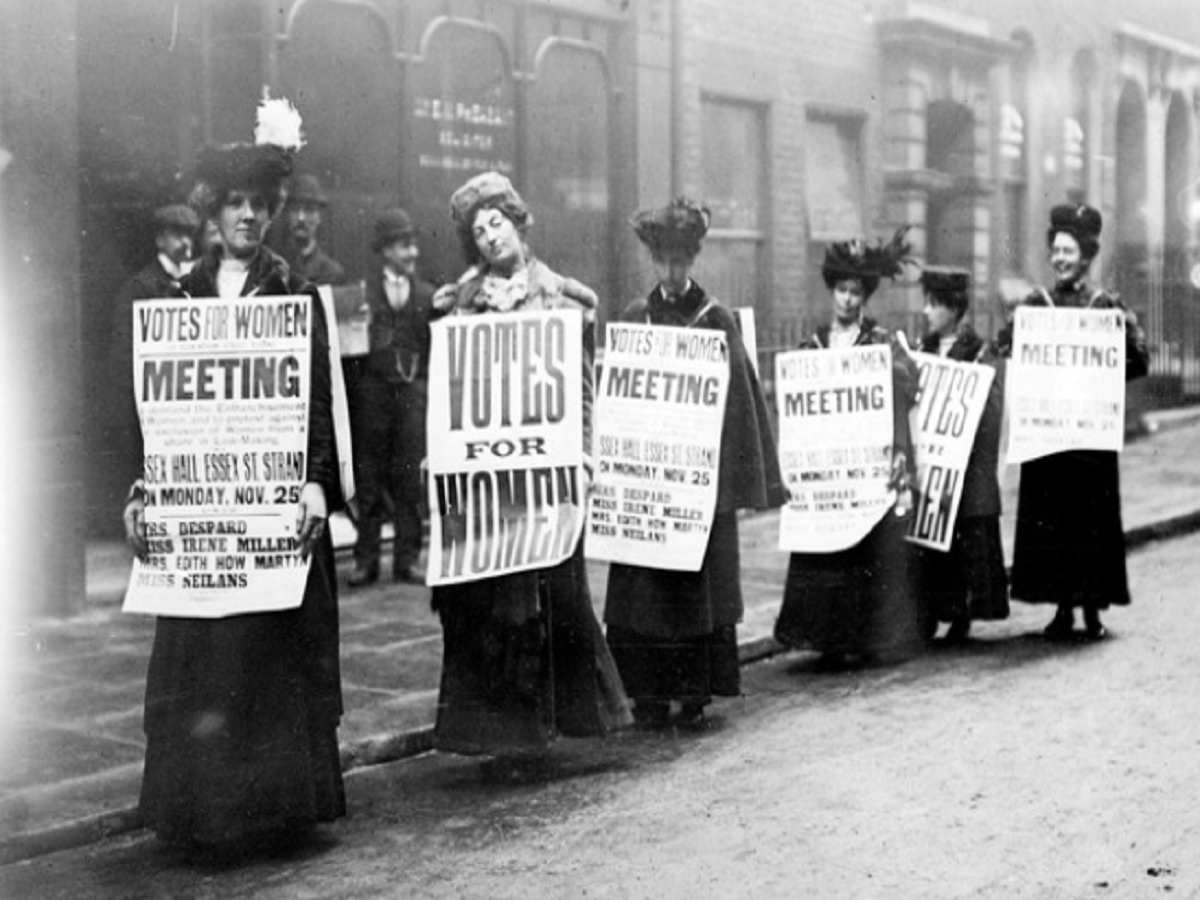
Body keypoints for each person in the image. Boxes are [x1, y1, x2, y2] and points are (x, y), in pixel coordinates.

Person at [121, 96, 345, 855]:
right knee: (205, 658)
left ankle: (269, 814)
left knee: (266, 657)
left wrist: (317, 481)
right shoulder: (178, 300)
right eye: (235, 204)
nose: (248, 217)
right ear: (214, 214)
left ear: (275, 212)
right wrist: (143, 492)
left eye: (261, 204)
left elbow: (315, 399)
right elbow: (157, 413)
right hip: (204, 513)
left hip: (271, 507)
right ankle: (202, 813)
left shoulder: (292, 296)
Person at [430, 171, 631, 779]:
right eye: (478, 230)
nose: (490, 237)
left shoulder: (565, 300)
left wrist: (588, 452)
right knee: (488, 603)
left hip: (545, 479)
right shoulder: (458, 304)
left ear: (518, 223)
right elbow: (447, 393)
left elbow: (585, 390)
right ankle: (500, 735)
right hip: (486, 484)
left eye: (498, 222)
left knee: (550, 600)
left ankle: (547, 729)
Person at [603, 197, 786, 730]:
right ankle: (648, 693)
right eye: (663, 262)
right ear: (653, 262)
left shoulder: (716, 320)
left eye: (681, 262)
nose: (673, 272)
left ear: (693, 261)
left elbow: (740, 409)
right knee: (646, 593)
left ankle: (692, 691)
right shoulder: (637, 318)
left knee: (692, 592)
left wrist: (724, 478)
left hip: (697, 487)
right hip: (649, 484)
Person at [999, 203, 1149, 641]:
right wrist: (1018, 333)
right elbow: (1007, 344)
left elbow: (1139, 359)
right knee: (1054, 520)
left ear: (1085, 256)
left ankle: (1092, 610)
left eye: (1069, 251)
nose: (1061, 258)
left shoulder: (1106, 306)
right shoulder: (1035, 304)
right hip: (1049, 436)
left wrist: (1113, 347)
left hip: (1089, 439)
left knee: (1090, 521)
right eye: (1056, 251)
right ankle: (1062, 607)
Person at [773, 229, 921, 668]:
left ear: (865, 296)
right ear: (831, 291)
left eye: (856, 292)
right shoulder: (813, 346)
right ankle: (827, 638)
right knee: (827, 553)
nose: (848, 300)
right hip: (827, 471)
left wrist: (892, 368)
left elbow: (911, 384)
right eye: (841, 290)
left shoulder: (880, 343)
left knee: (866, 552)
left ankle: (867, 637)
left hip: (867, 470)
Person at [912, 266, 1008, 643]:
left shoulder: (980, 352)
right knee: (929, 542)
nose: (927, 312)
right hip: (932, 465)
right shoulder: (923, 349)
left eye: (934, 305)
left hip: (964, 468)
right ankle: (931, 611)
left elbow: (990, 404)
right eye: (927, 303)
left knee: (962, 542)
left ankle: (960, 613)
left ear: (954, 309)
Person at [348, 208, 438, 586]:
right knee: (368, 478)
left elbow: (436, 350)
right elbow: (350, 350)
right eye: (404, 245)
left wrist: (423, 388)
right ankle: (366, 559)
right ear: (385, 250)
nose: (413, 252)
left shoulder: (428, 295)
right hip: (374, 393)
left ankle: (407, 559)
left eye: (414, 244)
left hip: (413, 394)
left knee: (409, 480)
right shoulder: (361, 294)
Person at [107, 204, 200, 492]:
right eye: (176, 234)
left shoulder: (197, 284)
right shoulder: (140, 287)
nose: (185, 242)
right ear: (160, 239)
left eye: (189, 234)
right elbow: (123, 364)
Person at [280, 172, 346, 286]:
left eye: (309, 210)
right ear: (287, 215)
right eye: (295, 210)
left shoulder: (332, 273)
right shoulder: (272, 269)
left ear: (319, 217)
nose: (301, 218)